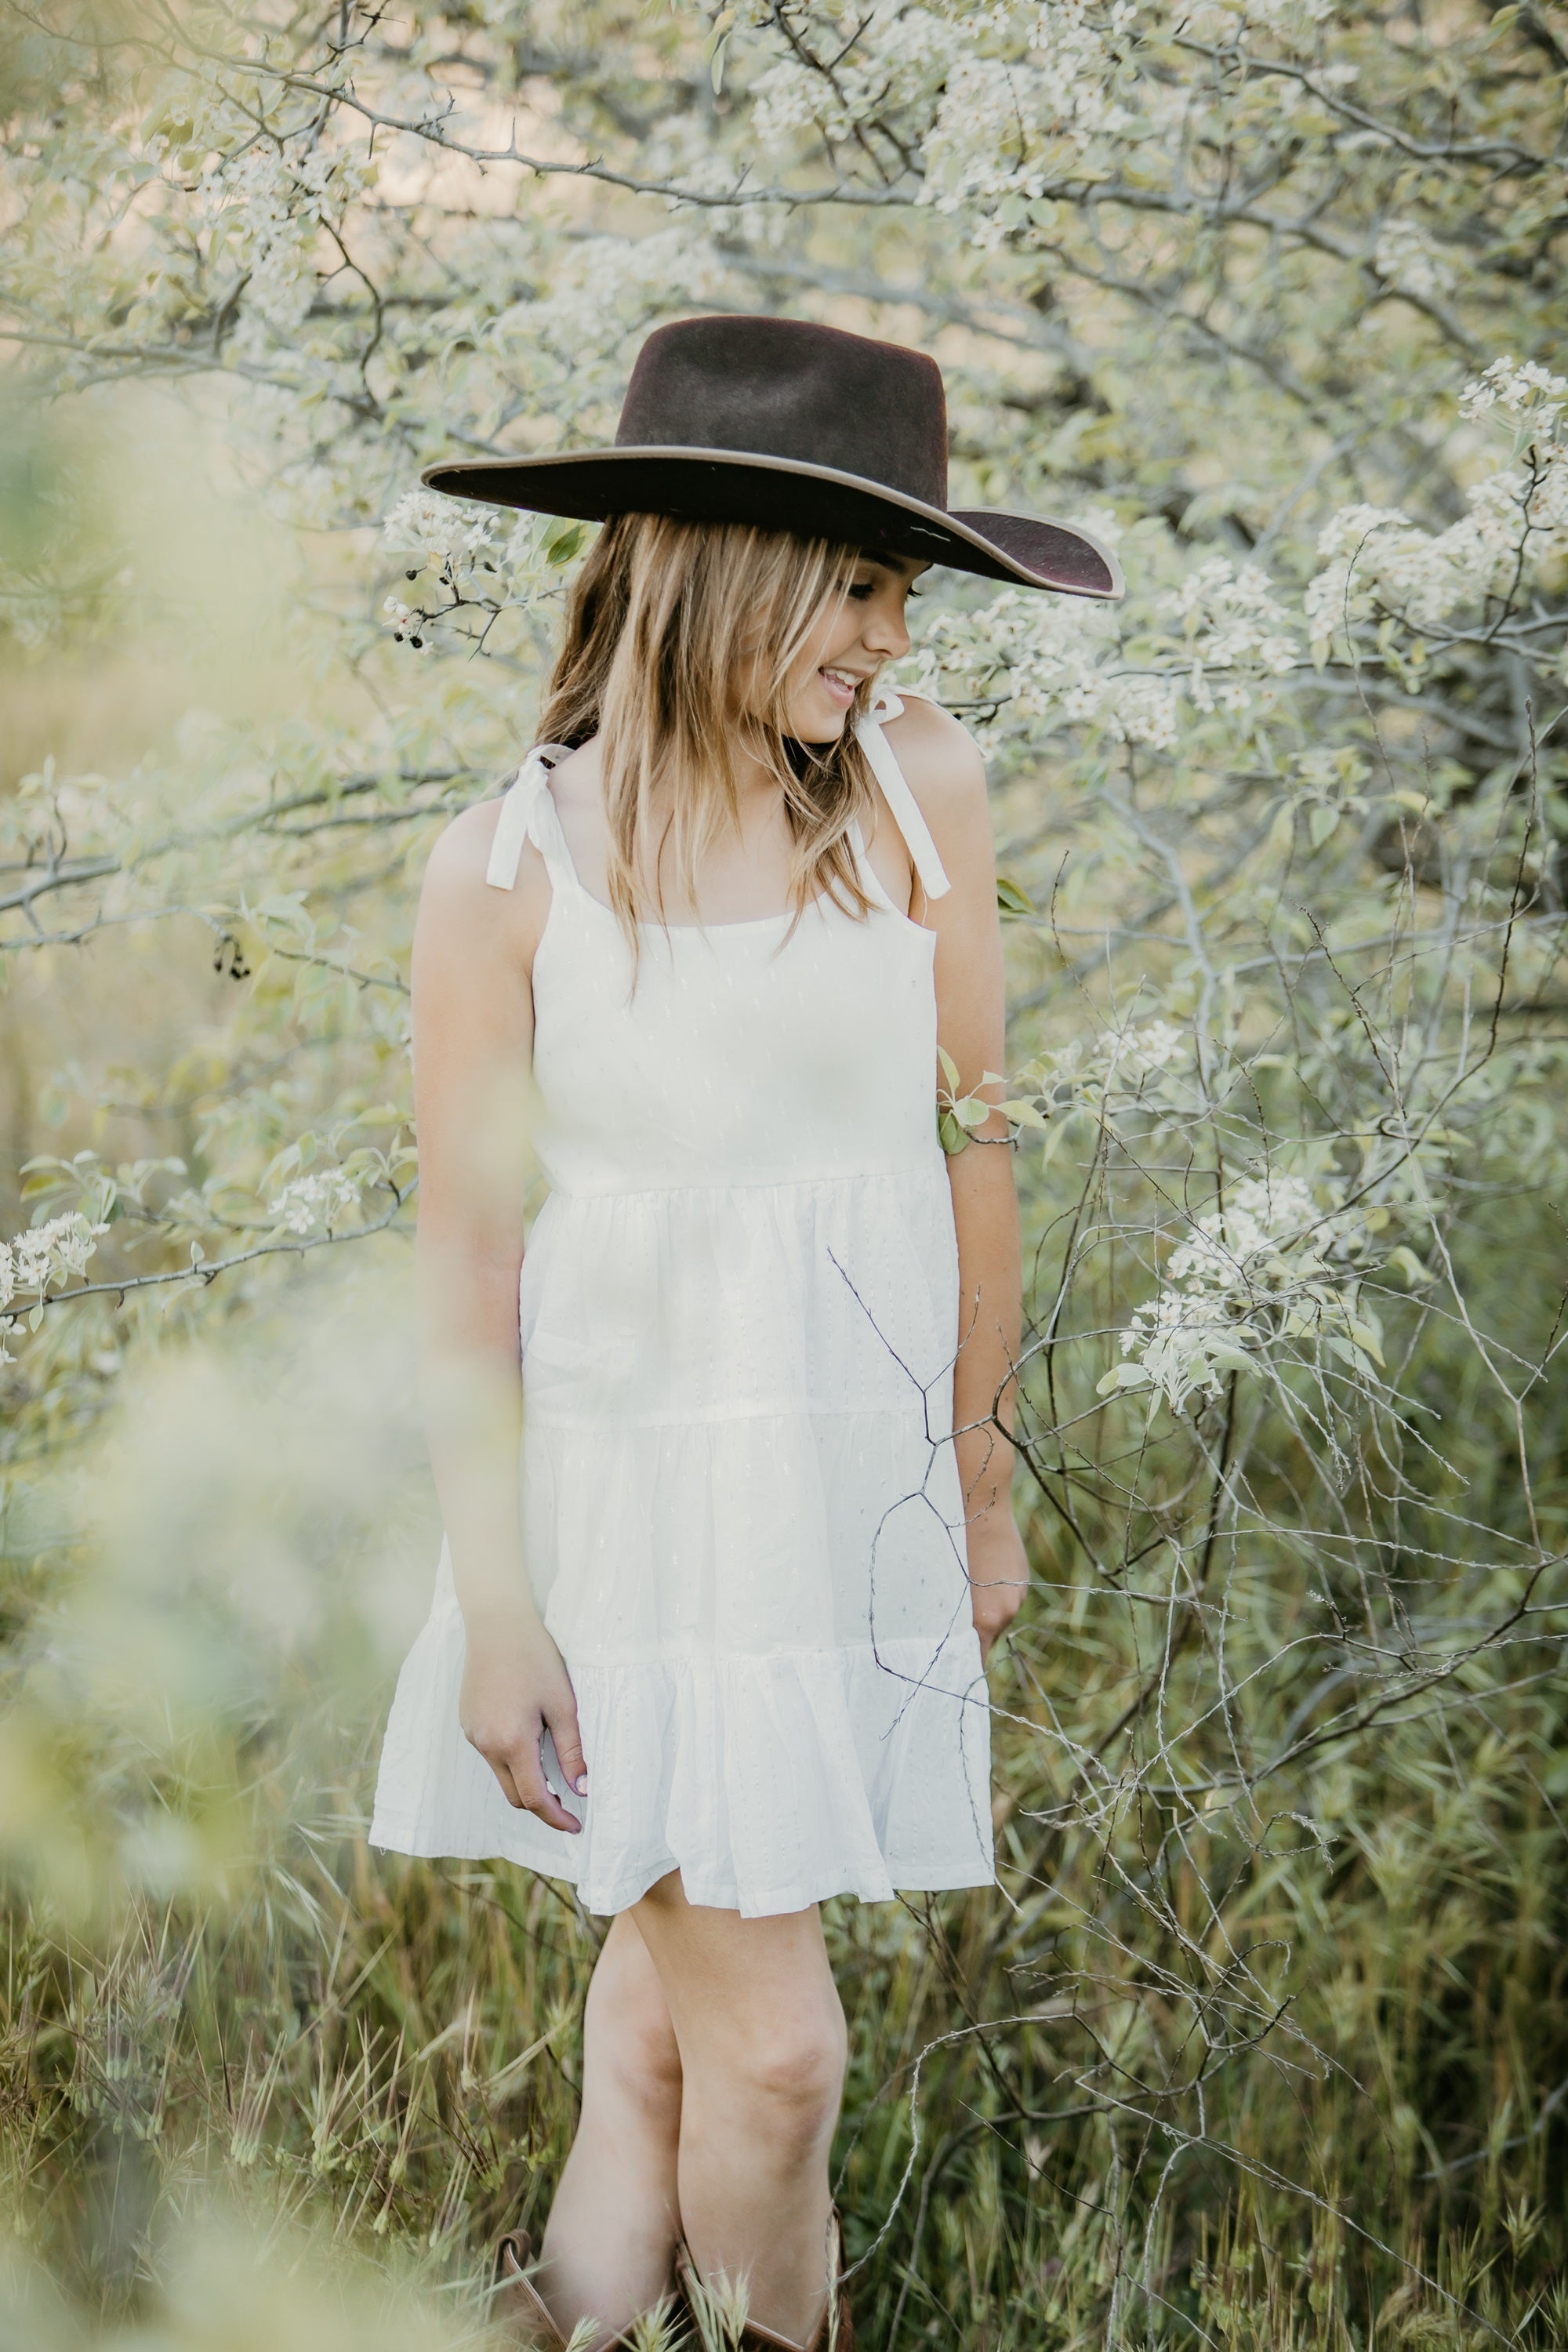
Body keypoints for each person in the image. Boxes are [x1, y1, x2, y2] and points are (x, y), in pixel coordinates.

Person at [369, 315, 1123, 2350]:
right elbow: (466, 1272)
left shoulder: (917, 792)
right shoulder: (505, 873)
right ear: (729, 563)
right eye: (865, 587)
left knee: (673, 2022)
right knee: (776, 2058)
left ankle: (566, 2312)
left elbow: (976, 1135)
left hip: (844, 1497)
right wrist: (498, 1609)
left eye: (902, 592)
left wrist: (975, 1470)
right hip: (628, 1532)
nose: (891, 637)